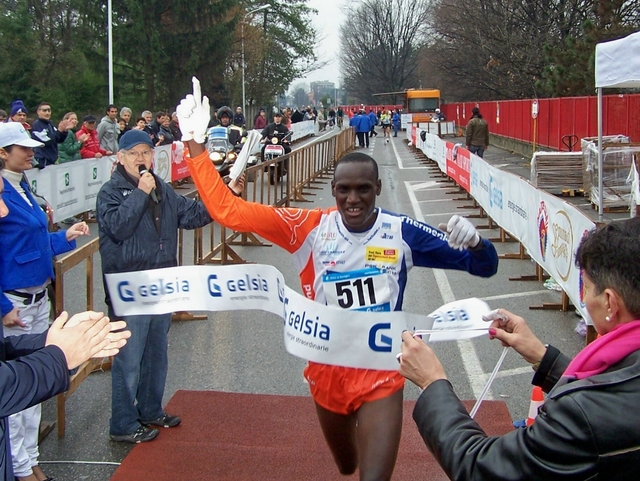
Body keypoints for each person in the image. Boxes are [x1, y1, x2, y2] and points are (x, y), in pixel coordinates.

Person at [177, 79, 499, 480]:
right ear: (332, 191)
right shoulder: (306, 228)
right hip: (326, 369)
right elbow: (229, 211)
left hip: (381, 370)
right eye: (344, 190)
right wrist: (194, 146)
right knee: (347, 465)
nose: (353, 200)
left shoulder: (402, 233)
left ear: (378, 189)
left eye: (363, 190)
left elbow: (486, 268)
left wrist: (478, 245)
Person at [399, 217, 640, 480]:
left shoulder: (579, 415)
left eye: (587, 288)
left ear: (609, 303)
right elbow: (614, 388)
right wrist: (543, 357)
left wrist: (432, 383)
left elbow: (481, 467)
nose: (582, 297)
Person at [96, 129, 213, 444]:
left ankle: (150, 409)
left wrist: (224, 197)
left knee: (156, 353)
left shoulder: (162, 188)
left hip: (162, 285)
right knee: (129, 358)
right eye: (133, 154)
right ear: (120, 158)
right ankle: (122, 422)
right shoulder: (110, 192)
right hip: (129, 289)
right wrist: (139, 193)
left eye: (146, 152)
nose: (141, 159)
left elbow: (191, 216)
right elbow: (119, 228)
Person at [0, 121, 97, 481]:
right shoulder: (4, 193)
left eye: (30, 147)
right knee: (15, 387)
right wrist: (3, 306)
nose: (30, 153)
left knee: (34, 388)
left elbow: (35, 244)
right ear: (2, 154)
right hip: (15, 303)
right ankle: (19, 467)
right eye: (22, 148)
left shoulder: (23, 186)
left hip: (39, 297)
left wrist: (64, 237)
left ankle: (30, 460)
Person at [30, 102, 71, 169]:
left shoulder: (49, 124)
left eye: (49, 110)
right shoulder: (37, 125)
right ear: (38, 112)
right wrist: (59, 131)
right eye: (44, 110)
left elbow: (59, 140)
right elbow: (47, 141)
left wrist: (64, 131)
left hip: (53, 159)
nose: (47, 113)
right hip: (43, 159)